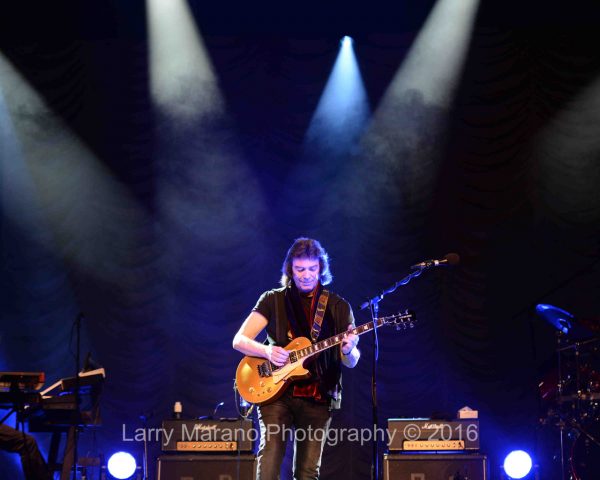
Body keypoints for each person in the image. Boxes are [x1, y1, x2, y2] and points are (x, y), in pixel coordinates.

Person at [233, 237, 360, 480]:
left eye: (312, 269)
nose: (305, 275)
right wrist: (267, 351)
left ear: (321, 269)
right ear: (290, 268)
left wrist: (347, 350)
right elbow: (239, 340)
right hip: (275, 392)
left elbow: (352, 360)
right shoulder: (272, 299)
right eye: (300, 269)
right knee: (269, 461)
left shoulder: (339, 306)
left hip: (318, 395)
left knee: (307, 472)